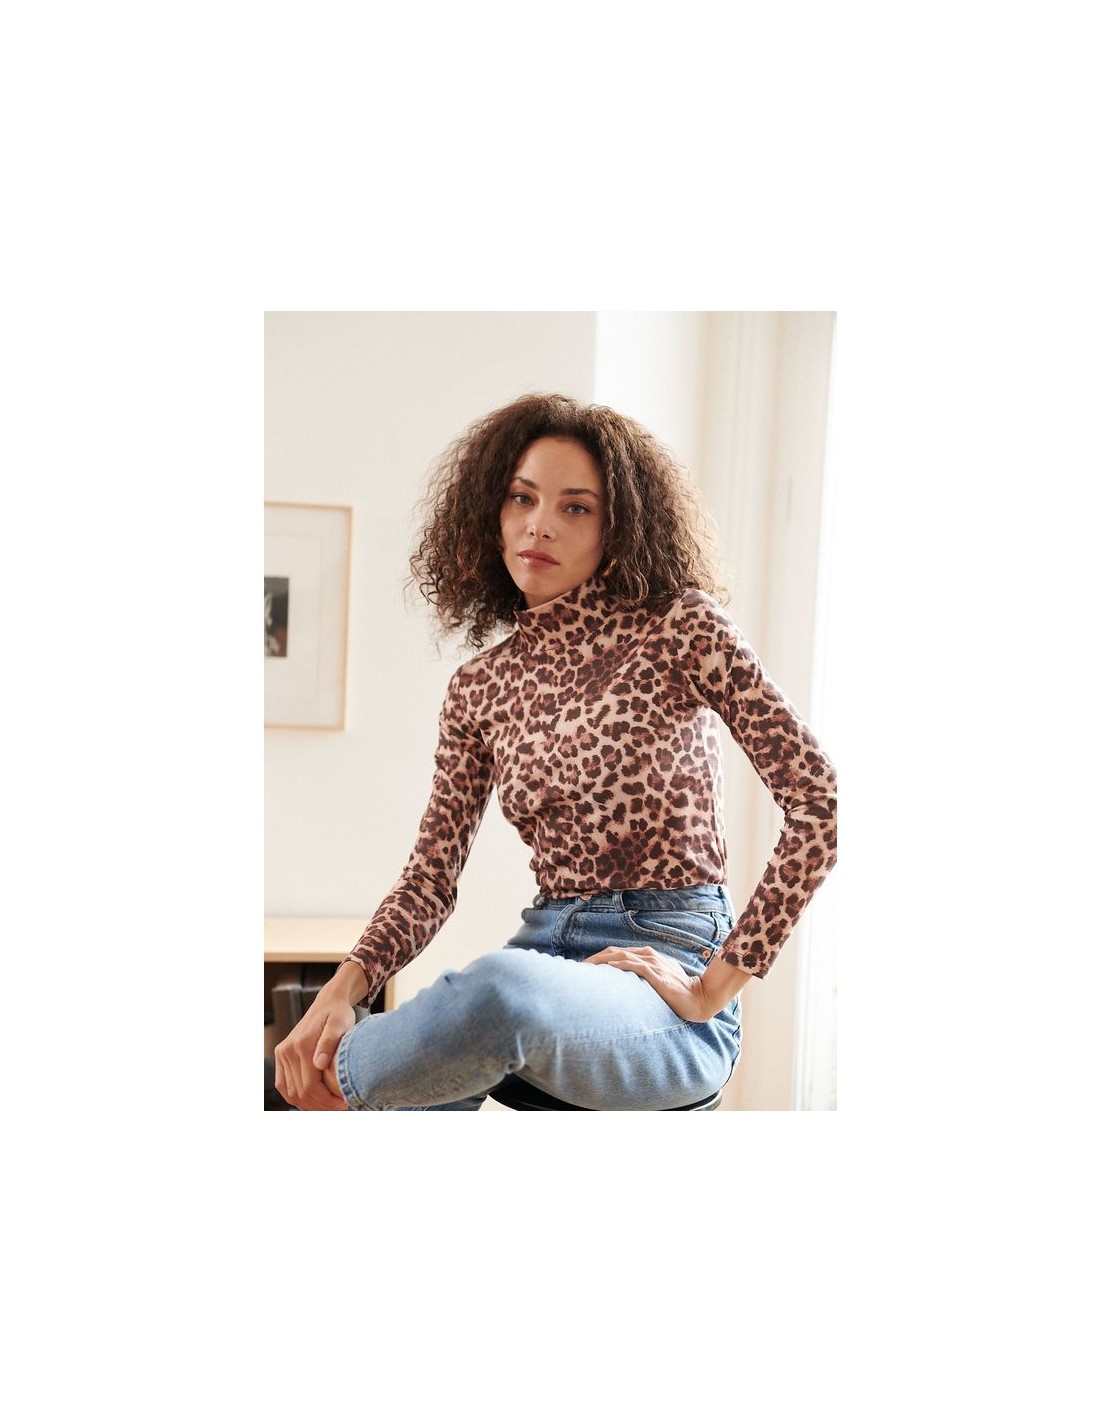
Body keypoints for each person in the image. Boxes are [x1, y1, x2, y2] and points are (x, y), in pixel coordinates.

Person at [273, 392, 837, 1111]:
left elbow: (818, 802)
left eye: (576, 507)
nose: (538, 525)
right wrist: (343, 986)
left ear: (619, 527)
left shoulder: (681, 628)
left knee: (496, 990)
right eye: (522, 498)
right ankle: (338, 1077)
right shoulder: (479, 687)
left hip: (664, 969)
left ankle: (326, 1082)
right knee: (465, 1020)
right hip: (546, 948)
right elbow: (430, 880)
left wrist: (715, 987)